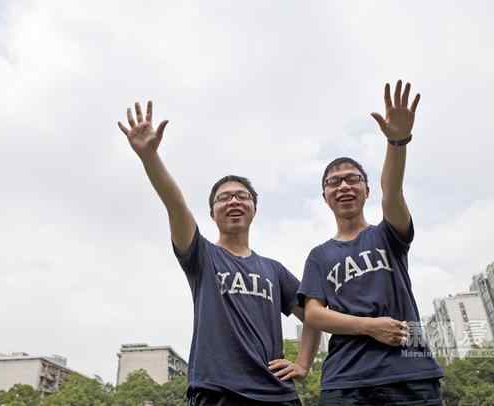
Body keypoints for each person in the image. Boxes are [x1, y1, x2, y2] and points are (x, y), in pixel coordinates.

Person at [117, 101, 321, 405]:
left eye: (242, 196)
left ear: (254, 207)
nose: (234, 201)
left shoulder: (274, 270)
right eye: (224, 198)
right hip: (216, 393)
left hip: (276, 395)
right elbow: (176, 206)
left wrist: (303, 363)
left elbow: (313, 316)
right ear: (212, 213)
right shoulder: (201, 255)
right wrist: (150, 158)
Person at [298, 81, 444, 405]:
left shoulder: (388, 233)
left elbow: (393, 190)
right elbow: (314, 315)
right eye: (334, 182)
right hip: (345, 381)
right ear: (325, 197)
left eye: (353, 179)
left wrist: (397, 141)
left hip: (411, 374)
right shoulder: (319, 256)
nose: (344, 186)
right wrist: (369, 326)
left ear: (367, 191)